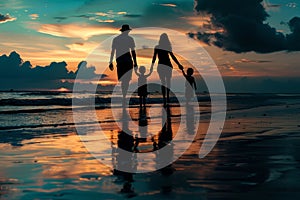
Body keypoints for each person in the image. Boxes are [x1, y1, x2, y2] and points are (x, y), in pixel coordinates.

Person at [151, 33, 183, 105]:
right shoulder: (165, 47)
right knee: (167, 82)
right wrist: (178, 64)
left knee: (164, 82)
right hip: (166, 65)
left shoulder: (160, 47)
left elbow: (154, 57)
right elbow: (154, 57)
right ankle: (166, 98)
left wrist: (151, 67)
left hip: (163, 66)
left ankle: (165, 98)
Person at [109, 24, 138, 102]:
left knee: (124, 80)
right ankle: (124, 96)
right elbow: (133, 52)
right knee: (125, 80)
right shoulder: (129, 39)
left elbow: (113, 51)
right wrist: (135, 62)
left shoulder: (116, 39)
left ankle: (124, 97)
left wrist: (111, 62)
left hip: (123, 61)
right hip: (126, 61)